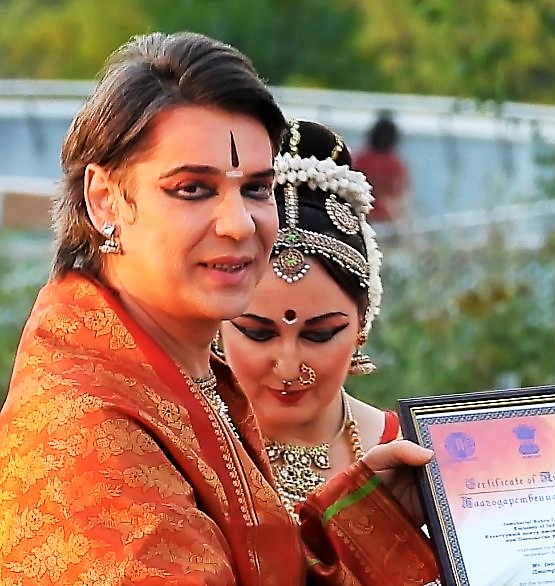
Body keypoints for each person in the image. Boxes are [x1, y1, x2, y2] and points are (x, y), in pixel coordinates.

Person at [0, 32, 439, 585]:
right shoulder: (90, 434)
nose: (238, 224)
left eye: (255, 189)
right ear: (105, 199)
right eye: (193, 189)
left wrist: (374, 519)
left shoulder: (169, 371)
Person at [218, 118, 401, 514]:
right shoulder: (174, 458)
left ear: (362, 323)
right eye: (257, 333)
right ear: (217, 326)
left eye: (319, 334)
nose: (288, 368)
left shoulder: (410, 462)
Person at [351, 111, 409, 223]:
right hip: (385, 217)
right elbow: (401, 194)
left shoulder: (360, 158)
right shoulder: (395, 163)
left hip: (362, 213)